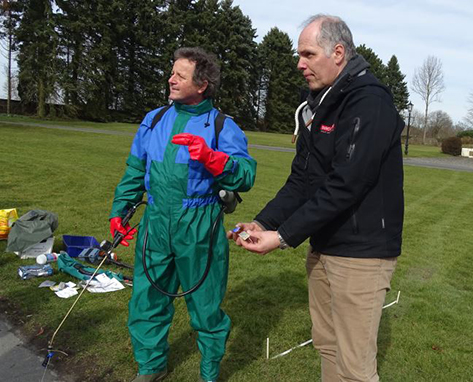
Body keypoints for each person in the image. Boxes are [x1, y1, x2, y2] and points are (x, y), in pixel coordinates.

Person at [229, 15, 404, 382]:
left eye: (307, 54)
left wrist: (282, 237)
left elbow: (347, 184)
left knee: (356, 367)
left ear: (338, 52)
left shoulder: (368, 102)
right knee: (326, 345)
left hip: (362, 255)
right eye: (299, 54)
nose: (299, 64)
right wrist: (263, 222)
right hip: (324, 246)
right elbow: (302, 180)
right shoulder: (317, 104)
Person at [110, 47, 256, 382]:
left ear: (202, 84)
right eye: (171, 72)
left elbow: (246, 175)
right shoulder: (154, 120)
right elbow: (135, 169)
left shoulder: (222, 126)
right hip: (156, 223)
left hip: (199, 226)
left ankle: (209, 373)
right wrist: (121, 210)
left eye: (180, 74)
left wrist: (215, 159)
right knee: (146, 300)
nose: (171, 79)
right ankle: (151, 367)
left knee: (205, 307)